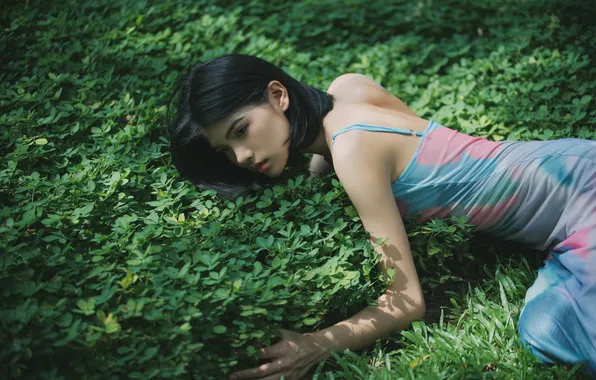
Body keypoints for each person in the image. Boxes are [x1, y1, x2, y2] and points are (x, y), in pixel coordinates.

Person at [168, 54, 596, 379]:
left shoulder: (353, 152)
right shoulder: (347, 89)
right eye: (226, 149)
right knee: (550, 322)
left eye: (241, 130)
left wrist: (315, 344)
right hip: (567, 163)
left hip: (583, 193)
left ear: (278, 96)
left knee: (549, 335)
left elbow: (406, 303)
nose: (241, 156)